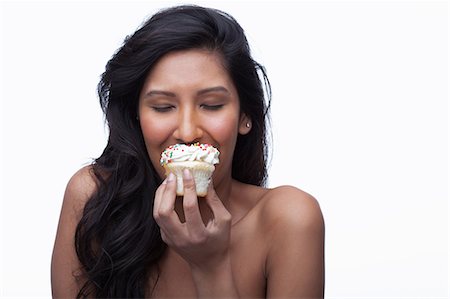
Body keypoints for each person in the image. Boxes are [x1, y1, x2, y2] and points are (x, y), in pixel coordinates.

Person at [51, 5, 325, 298]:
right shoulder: (94, 199)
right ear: (137, 117)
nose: (187, 132)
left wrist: (211, 267)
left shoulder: (289, 220)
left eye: (211, 105)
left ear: (246, 115)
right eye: (162, 107)